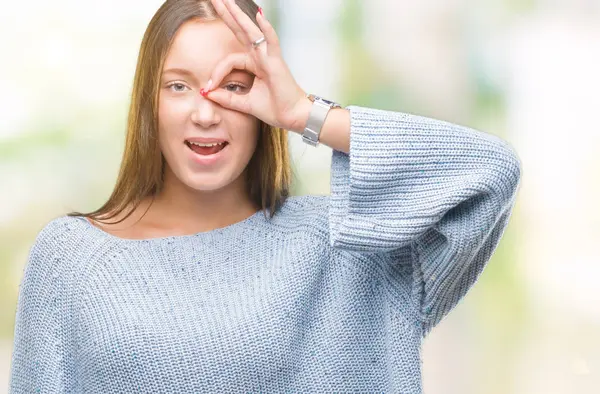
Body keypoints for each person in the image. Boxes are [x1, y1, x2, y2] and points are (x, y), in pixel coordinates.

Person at [8, 0, 522, 392]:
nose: (204, 113)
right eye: (178, 86)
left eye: (233, 85)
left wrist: (305, 113)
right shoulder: (72, 259)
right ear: (149, 102)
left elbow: (488, 172)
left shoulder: (345, 247)